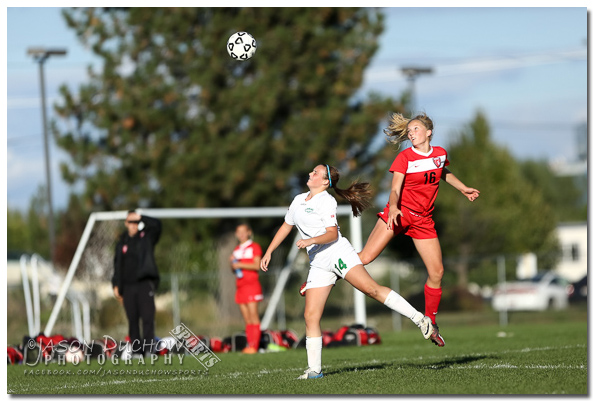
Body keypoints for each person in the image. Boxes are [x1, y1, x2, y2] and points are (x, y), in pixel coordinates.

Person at [260, 164, 433, 380]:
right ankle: (315, 370)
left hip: (338, 253)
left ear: (325, 182)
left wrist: (311, 240)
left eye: (316, 173)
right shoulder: (297, 200)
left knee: (372, 290)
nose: (310, 174)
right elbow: (286, 227)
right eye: (311, 172)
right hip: (319, 262)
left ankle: (420, 319)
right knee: (310, 316)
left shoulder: (327, 201)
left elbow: (332, 235)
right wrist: (269, 251)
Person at [358, 112, 481, 348]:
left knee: (437, 273)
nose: (411, 133)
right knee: (365, 258)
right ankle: (324, 272)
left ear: (429, 132)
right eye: (410, 130)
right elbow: (394, 189)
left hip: (423, 220)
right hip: (400, 213)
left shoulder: (440, 154)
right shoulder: (405, 158)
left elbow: (441, 171)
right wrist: (393, 208)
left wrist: (463, 188)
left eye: (416, 129)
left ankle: (431, 324)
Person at [112, 210, 162, 356]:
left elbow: (158, 225)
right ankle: (136, 351)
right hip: (128, 287)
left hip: (144, 284)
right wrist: (116, 284)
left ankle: (148, 350)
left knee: (147, 318)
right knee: (132, 320)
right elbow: (117, 265)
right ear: (126, 223)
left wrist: (141, 217)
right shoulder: (122, 243)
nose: (133, 225)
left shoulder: (146, 237)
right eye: (131, 222)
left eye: (136, 222)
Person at [229, 223, 264, 354]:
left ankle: (254, 346)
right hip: (240, 286)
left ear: (249, 232)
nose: (241, 234)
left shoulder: (254, 247)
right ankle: (250, 345)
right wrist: (232, 264)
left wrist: (239, 263)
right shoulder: (236, 249)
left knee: (254, 316)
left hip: (252, 286)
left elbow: (256, 265)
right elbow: (235, 269)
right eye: (239, 232)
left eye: (244, 231)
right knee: (247, 319)